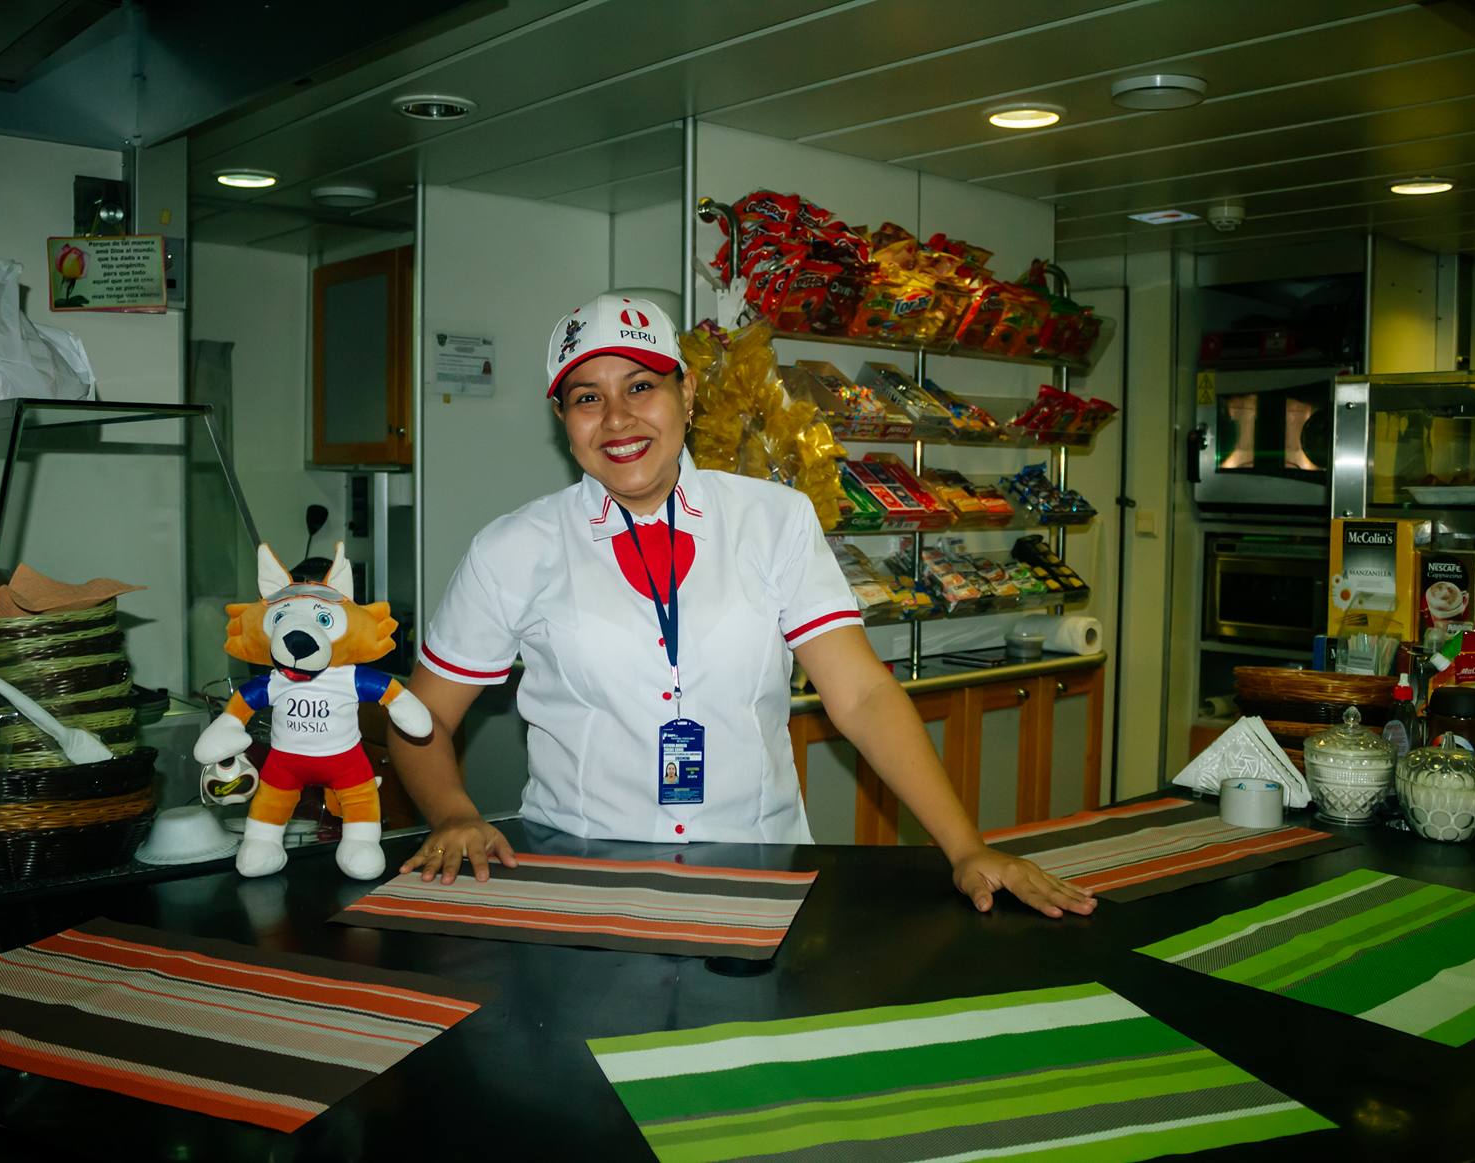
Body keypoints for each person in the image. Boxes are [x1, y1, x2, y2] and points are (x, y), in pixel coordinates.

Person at [387, 293, 1095, 918]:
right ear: (562, 417)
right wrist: (453, 814)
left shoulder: (774, 520)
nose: (618, 418)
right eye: (587, 397)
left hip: (760, 873)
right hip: (579, 876)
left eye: (641, 386)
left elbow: (863, 695)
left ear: (686, 392)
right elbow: (420, 717)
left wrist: (966, 847)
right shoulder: (513, 546)